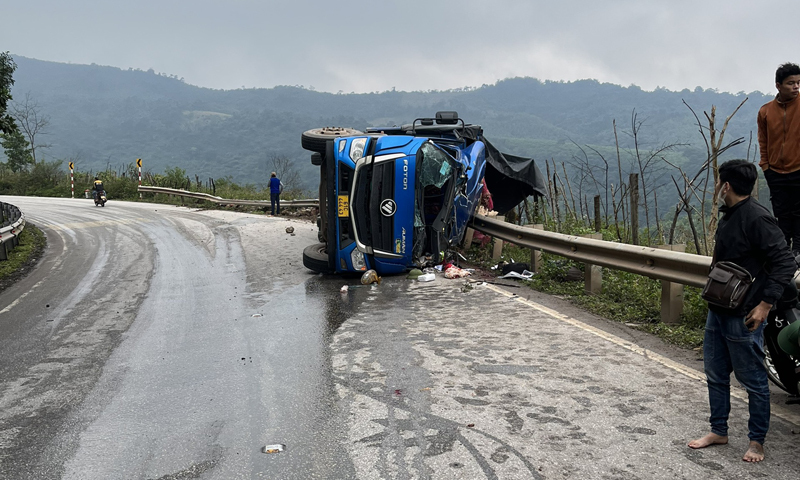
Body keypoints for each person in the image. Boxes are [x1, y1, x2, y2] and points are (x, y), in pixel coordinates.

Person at [688, 160, 796, 462]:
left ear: (726, 186)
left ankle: (756, 441)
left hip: (745, 314)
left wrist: (764, 305)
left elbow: (785, 263)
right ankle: (718, 430)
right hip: (718, 308)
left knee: (754, 381)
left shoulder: (757, 218)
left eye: (719, 183)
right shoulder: (730, 214)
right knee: (715, 373)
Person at [757, 62, 800, 254]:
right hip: (775, 171)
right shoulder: (766, 111)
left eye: (798, 83)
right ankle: (783, 254)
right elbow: (763, 141)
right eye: (791, 83)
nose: (796, 87)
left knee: (799, 214)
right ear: (778, 85)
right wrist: (765, 166)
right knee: (781, 214)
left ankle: (798, 253)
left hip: (798, 169)